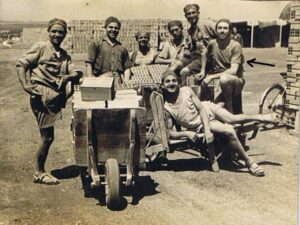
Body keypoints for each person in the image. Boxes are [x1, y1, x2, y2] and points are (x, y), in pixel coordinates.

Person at [161, 70, 276, 176]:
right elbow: (170, 133)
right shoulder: (168, 108)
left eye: (174, 80)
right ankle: (250, 162)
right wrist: (186, 134)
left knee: (232, 119)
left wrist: (207, 131)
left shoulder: (186, 90)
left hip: (207, 109)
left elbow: (201, 109)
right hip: (199, 124)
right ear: (162, 85)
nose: (171, 84)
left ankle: (261, 117)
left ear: (178, 82)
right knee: (230, 131)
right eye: (167, 81)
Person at [16, 18, 83, 184]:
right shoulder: (41, 47)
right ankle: (39, 172)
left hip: (54, 98)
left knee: (48, 137)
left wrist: (70, 76)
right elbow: (21, 64)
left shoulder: (64, 55)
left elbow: (75, 72)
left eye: (61, 32)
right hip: (41, 97)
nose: (57, 35)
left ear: (65, 34)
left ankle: (40, 170)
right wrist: (25, 85)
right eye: (54, 31)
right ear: (48, 32)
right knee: (47, 137)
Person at [198, 18, 245, 114]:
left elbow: (233, 70)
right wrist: (202, 71)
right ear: (215, 30)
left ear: (230, 31)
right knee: (202, 85)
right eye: (219, 28)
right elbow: (205, 54)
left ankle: (230, 111)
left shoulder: (235, 45)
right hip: (217, 78)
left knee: (224, 79)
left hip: (235, 79)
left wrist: (211, 77)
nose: (222, 31)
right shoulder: (212, 43)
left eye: (225, 28)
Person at [170, 3, 217, 86]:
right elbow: (192, 46)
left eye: (193, 13)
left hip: (207, 57)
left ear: (198, 13)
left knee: (184, 72)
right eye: (188, 14)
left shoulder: (207, 24)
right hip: (195, 55)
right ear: (185, 16)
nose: (191, 16)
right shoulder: (190, 29)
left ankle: (184, 93)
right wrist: (187, 50)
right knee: (175, 66)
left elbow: (223, 35)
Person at [86, 16, 131, 82]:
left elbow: (127, 68)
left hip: (118, 80)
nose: (113, 30)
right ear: (105, 28)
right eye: (110, 27)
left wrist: (126, 81)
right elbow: (89, 64)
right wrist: (90, 81)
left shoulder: (122, 48)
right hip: (100, 80)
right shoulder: (96, 44)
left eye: (116, 28)